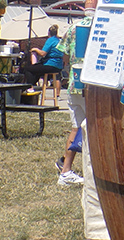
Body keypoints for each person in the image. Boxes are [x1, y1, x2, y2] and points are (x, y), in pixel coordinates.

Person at [54, 18, 88, 186]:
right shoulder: (105, 22)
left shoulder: (75, 26)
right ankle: (97, 173)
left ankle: (66, 171)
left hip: (75, 82)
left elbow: (64, 55)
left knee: (76, 128)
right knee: (96, 130)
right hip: (93, 85)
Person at [23, 24, 64, 89]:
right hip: (58, 66)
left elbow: (43, 53)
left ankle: (30, 87)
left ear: (48, 33)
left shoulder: (50, 40)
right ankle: (34, 86)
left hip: (50, 64)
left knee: (28, 69)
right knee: (38, 69)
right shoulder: (59, 41)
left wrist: (36, 49)